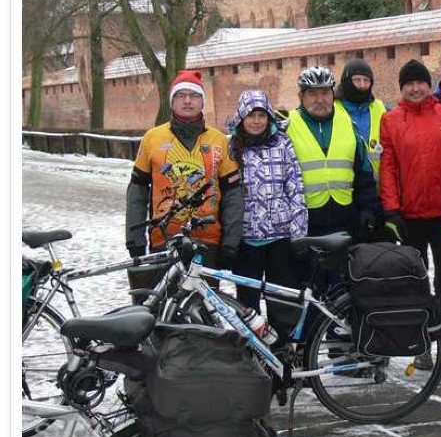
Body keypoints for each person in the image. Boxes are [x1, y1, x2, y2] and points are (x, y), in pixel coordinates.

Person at [125, 69, 243, 302]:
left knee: (205, 309)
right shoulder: (153, 138)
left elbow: (233, 194)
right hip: (164, 238)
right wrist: (134, 238)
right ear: (172, 101)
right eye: (181, 95)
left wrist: (231, 240)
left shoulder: (218, 140)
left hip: (207, 241)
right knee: (163, 309)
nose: (187, 101)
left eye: (194, 95)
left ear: (202, 101)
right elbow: (137, 191)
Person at [379, 59, 441, 369]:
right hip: (411, 215)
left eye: (420, 83)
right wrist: (391, 208)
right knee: (415, 282)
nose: (415, 88)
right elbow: (388, 167)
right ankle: (421, 344)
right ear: (401, 89)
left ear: (430, 86)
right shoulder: (391, 121)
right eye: (409, 84)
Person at [229, 89, 308, 337]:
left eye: (261, 115)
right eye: (251, 115)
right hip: (246, 239)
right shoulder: (231, 147)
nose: (256, 121)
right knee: (247, 307)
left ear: (269, 117)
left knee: (282, 302)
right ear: (241, 117)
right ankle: (253, 355)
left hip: (280, 238)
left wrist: (299, 233)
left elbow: (295, 187)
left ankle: (284, 353)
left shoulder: (283, 143)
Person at [287, 66, 380, 244]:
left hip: (345, 220)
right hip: (305, 223)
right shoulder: (287, 126)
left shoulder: (348, 123)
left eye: (325, 93)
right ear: (301, 97)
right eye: (313, 94)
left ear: (333, 94)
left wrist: (368, 208)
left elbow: (363, 173)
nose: (320, 100)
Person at [334, 58, 388, 184]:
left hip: (377, 191)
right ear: (346, 81)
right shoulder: (332, 109)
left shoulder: (381, 108)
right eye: (357, 80)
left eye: (366, 80)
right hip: (345, 190)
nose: (362, 85)